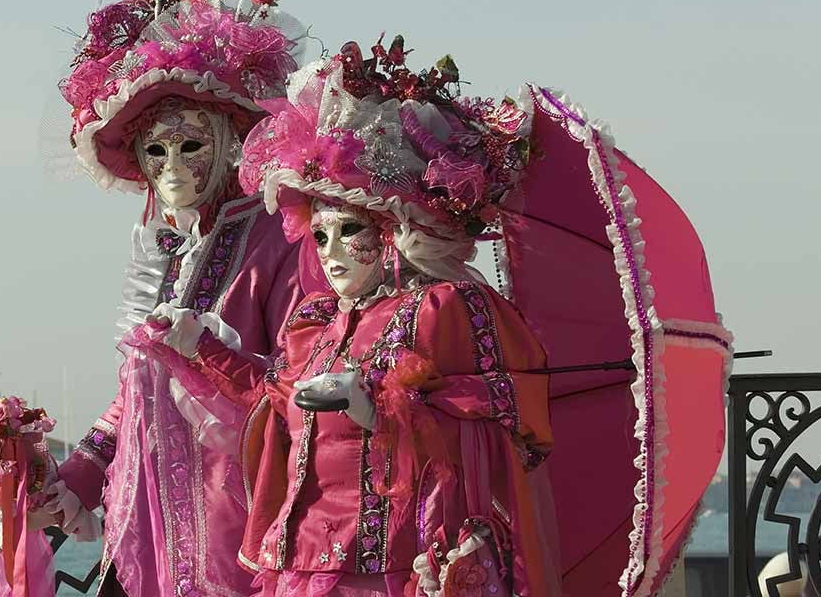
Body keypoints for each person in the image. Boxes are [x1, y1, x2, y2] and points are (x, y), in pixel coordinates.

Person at [137, 41, 561, 595]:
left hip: (389, 570)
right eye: (319, 235)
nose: (330, 252)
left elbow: (490, 417)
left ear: (392, 231)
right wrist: (200, 346)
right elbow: (273, 398)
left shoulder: (442, 308)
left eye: (350, 231)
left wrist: (378, 406)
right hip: (299, 566)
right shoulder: (316, 324)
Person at [18, 0, 319, 596]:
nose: (172, 165)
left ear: (232, 143)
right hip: (145, 526)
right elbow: (136, 397)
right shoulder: (164, 250)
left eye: (191, 145)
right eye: (156, 150)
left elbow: (296, 389)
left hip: (236, 528)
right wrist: (73, 477)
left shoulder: (277, 240)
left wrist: (204, 354)